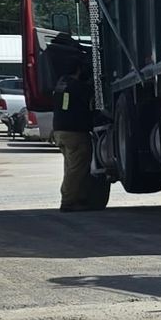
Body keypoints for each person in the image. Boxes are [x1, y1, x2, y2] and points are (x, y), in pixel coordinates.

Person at [42, 32, 109, 211]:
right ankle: (69, 201)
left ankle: (76, 198)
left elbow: (64, 107)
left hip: (61, 132)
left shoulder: (61, 84)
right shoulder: (78, 88)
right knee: (77, 168)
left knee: (71, 166)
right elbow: (89, 105)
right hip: (74, 134)